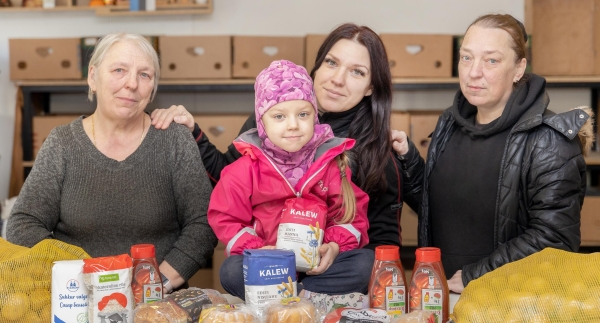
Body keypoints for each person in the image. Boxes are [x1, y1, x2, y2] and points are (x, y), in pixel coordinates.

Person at [151, 23, 425, 250]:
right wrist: (193, 134)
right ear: (317, 67)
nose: (337, 79)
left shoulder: (376, 148)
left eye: (357, 72)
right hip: (270, 263)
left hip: (335, 269)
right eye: (331, 62)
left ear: (370, 88)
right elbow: (229, 176)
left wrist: (338, 257)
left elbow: (383, 239)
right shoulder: (272, 117)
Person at [7, 33, 217, 292]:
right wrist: (84, 279)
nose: (131, 84)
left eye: (144, 75)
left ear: (152, 88)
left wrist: (155, 284)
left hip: (157, 303)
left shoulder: (174, 139)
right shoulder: (62, 143)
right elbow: (23, 224)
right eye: (119, 70)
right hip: (78, 299)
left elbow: (203, 224)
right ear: (93, 77)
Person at [419, 14, 593, 293]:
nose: (474, 72)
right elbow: (443, 207)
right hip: (441, 296)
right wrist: (407, 162)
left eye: (491, 60)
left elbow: (555, 239)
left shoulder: (549, 139)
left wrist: (473, 277)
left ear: (518, 68)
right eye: (466, 57)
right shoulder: (449, 124)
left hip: (511, 302)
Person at [208, 59, 371, 299]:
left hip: (319, 267)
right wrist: (259, 250)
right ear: (261, 122)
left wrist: (333, 247)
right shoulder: (243, 170)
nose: (293, 125)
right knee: (231, 271)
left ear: (314, 117)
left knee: (367, 263)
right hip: (268, 265)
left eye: (303, 114)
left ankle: (295, 295)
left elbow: (352, 216)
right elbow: (225, 218)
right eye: (279, 116)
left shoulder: (330, 164)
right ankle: (302, 296)